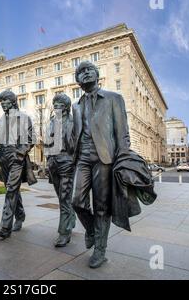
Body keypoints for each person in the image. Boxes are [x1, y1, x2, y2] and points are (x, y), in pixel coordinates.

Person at [71, 61, 131, 268]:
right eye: (80, 72)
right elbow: (75, 134)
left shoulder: (114, 99)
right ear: (77, 81)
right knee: (77, 201)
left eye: (89, 70)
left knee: (102, 206)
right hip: (83, 158)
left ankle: (100, 250)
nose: (85, 73)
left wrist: (123, 158)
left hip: (105, 157)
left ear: (97, 75)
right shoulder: (75, 105)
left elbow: (122, 132)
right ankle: (90, 230)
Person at [0, 90, 37, 239]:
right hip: (4, 158)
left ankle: (5, 227)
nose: (2, 104)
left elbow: (31, 138)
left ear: (12, 101)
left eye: (4, 101)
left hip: (17, 158)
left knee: (11, 190)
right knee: (12, 189)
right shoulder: (1, 120)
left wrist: (20, 153)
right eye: (0, 102)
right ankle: (20, 215)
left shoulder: (24, 118)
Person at [44, 93, 77, 247]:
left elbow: (78, 142)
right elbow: (47, 142)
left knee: (64, 197)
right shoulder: (51, 122)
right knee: (61, 196)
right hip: (54, 162)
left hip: (67, 161)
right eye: (55, 103)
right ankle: (71, 218)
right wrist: (48, 159)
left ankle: (64, 232)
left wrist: (74, 159)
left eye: (59, 103)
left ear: (66, 106)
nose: (56, 106)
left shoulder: (73, 120)